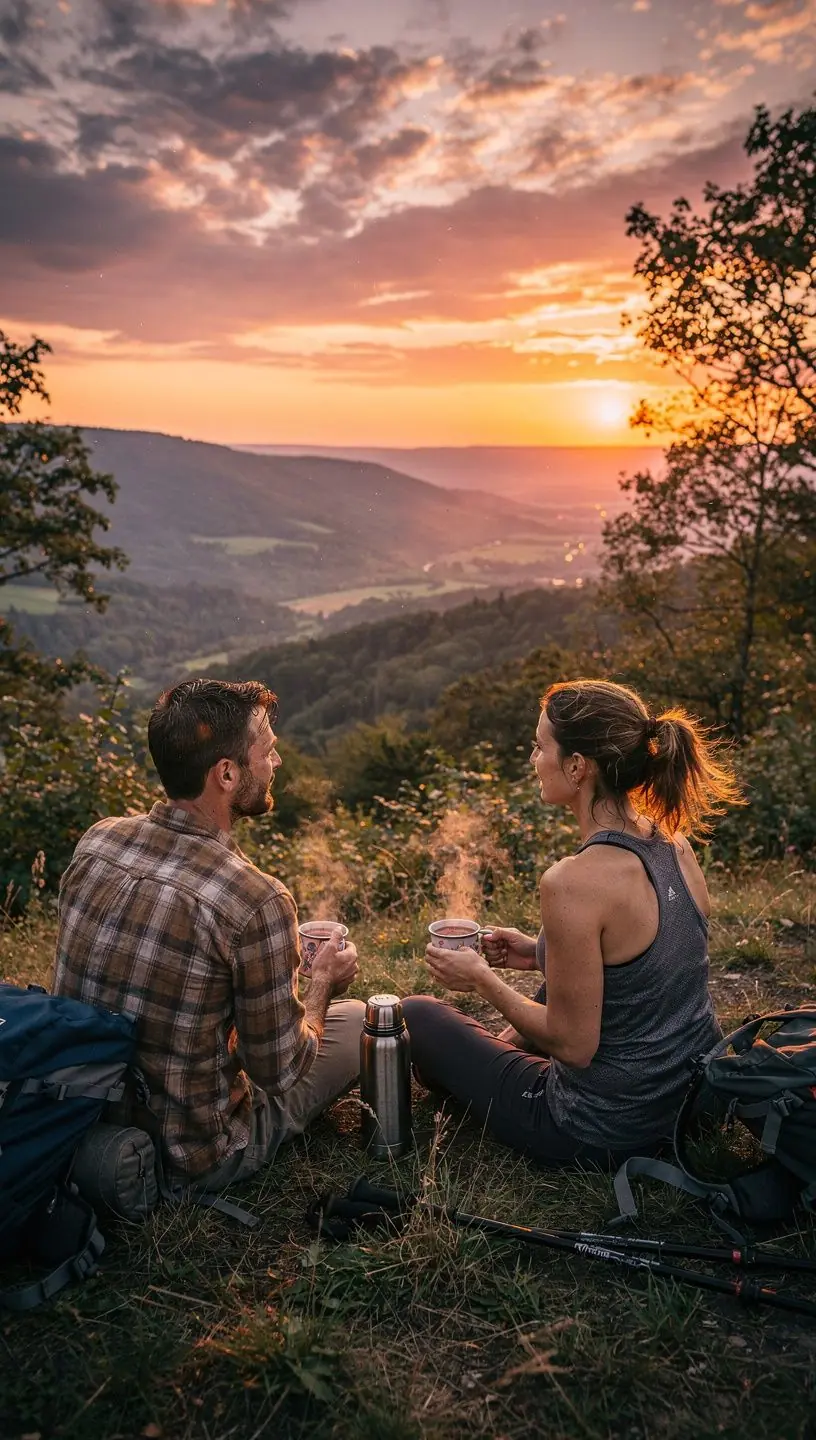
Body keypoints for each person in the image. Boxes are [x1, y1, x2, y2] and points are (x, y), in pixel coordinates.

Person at [403, 679, 742, 1168]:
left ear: (578, 766)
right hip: (693, 1105)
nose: (533, 758)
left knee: (417, 1015)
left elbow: (573, 1046)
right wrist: (536, 952)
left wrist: (482, 980)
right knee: (550, 993)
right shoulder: (675, 845)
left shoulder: (572, 882)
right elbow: (648, 965)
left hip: (602, 1129)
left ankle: (483, 1065)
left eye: (540, 746)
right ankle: (495, 1055)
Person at [53, 678, 365, 1192]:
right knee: (356, 1021)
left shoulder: (97, 842)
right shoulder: (257, 899)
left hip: (83, 1122)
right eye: (267, 751)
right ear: (226, 773)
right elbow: (279, 1070)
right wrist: (323, 984)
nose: (276, 762)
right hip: (192, 1156)